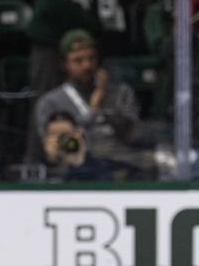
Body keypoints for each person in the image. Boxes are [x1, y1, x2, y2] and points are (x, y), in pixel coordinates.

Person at [32, 30, 144, 174]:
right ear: (64, 64)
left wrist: (106, 107)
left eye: (92, 58)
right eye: (78, 61)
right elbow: (55, 154)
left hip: (122, 170)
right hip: (76, 176)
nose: (87, 66)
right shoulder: (50, 102)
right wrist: (93, 110)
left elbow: (133, 136)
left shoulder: (122, 92)